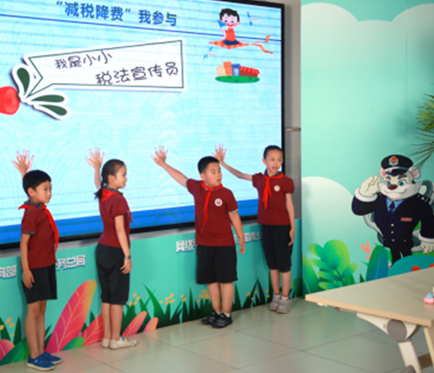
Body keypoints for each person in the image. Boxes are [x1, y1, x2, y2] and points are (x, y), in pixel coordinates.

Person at [153, 146, 245, 328]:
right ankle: (216, 311)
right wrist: (163, 164)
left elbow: (234, 216)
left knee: (226, 280)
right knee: (211, 280)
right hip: (204, 244)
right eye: (213, 172)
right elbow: (181, 178)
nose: (218, 175)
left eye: (219, 171)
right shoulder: (197, 188)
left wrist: (240, 237)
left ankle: (226, 314)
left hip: (224, 245)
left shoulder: (226, 193)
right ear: (203, 176)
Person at [214, 144, 295, 314]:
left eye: (279, 160)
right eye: (272, 159)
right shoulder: (259, 179)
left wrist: (292, 227)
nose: (275, 163)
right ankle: (276, 296)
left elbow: (289, 204)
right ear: (264, 161)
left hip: (282, 227)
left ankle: (286, 298)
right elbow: (240, 175)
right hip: (266, 226)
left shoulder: (286, 181)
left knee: (284, 265)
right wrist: (223, 163)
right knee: (272, 265)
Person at [13, 150, 62, 371]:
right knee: (33, 311)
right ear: (32, 192)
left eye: (50, 188)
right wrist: (26, 270)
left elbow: (30, 187)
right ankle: (33, 356)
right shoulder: (31, 213)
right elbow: (23, 243)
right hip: (35, 269)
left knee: (42, 309)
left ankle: (41, 351)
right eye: (45, 189)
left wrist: (25, 173)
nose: (49, 193)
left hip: (47, 265)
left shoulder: (39, 209)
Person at [86, 148, 137, 349]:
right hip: (116, 251)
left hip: (102, 250)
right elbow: (120, 230)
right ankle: (116, 339)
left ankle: (107, 338)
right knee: (117, 299)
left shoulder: (103, 194)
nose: (126, 178)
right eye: (123, 174)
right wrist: (127, 256)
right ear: (111, 177)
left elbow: (97, 183)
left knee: (107, 297)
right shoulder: (117, 199)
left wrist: (96, 168)